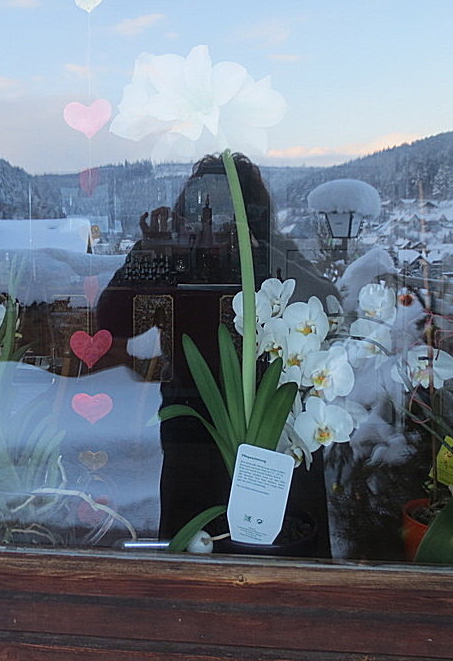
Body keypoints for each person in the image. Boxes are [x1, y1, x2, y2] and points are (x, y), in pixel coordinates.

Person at [96, 153, 336, 541]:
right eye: (202, 208)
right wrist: (151, 252)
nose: (215, 222)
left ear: (252, 215)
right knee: (192, 534)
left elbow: (325, 304)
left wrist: (259, 250)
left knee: (281, 540)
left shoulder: (269, 253)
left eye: (229, 210)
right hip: (193, 423)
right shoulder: (175, 259)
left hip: (274, 422)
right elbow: (111, 323)